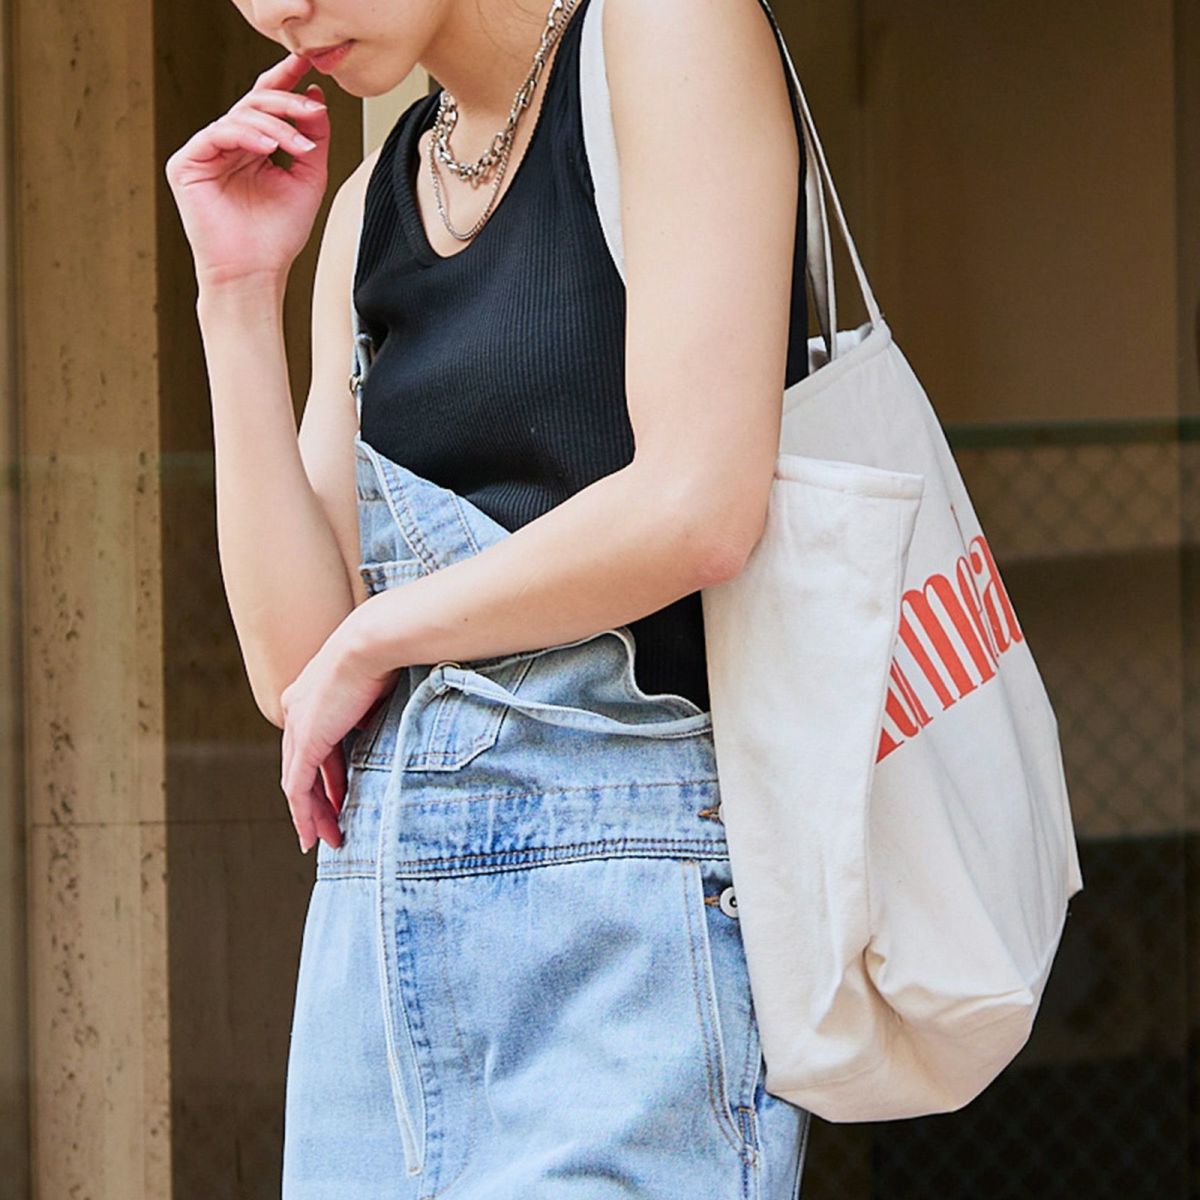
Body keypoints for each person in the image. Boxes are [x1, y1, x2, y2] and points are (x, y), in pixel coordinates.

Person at [165, 0, 814, 1194]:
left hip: (621, 921)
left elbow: (699, 505)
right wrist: (236, 296)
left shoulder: (665, 31)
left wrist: (380, 634)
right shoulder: (373, 203)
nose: (280, 10)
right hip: (373, 927)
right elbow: (299, 670)